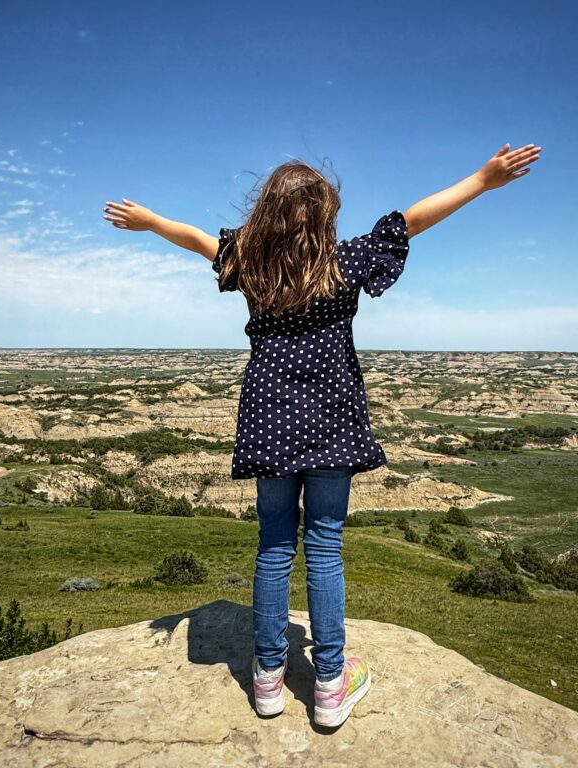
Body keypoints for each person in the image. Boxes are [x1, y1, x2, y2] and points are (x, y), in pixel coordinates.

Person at [102, 142, 541, 727]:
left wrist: (150, 221)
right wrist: (483, 181)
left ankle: (267, 681)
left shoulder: (250, 263)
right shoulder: (344, 262)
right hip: (333, 420)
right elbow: (413, 219)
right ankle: (330, 686)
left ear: (268, 215)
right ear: (323, 216)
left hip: (269, 421)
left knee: (274, 547)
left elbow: (193, 239)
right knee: (326, 548)